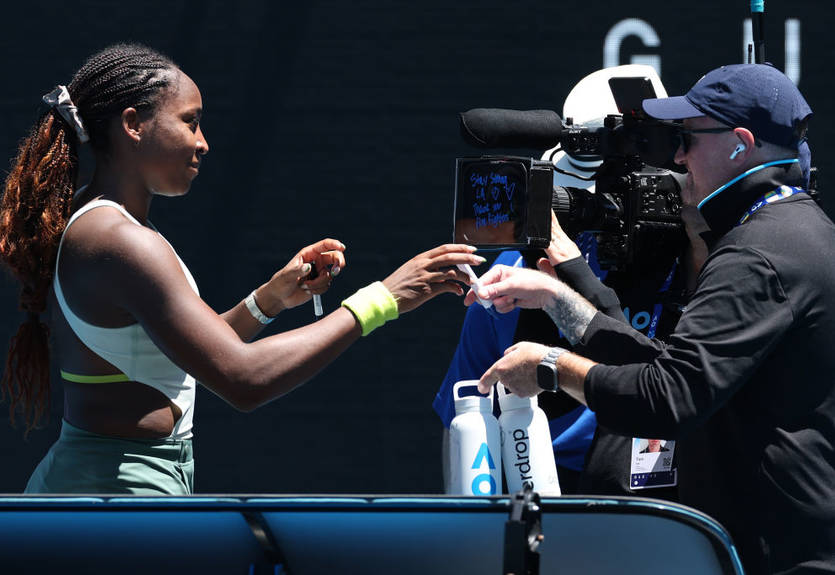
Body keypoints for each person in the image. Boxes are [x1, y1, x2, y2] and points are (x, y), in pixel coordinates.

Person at [0, 43, 483, 495]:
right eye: (190, 123)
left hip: (104, 487)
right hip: (113, 498)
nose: (203, 143)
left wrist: (268, 300)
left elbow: (190, 354)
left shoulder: (105, 224)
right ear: (133, 124)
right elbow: (241, 378)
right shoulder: (120, 240)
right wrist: (383, 299)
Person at [470, 63, 833, 574]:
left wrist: (551, 366)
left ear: (740, 144)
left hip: (778, 559)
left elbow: (667, 398)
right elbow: (679, 370)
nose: (679, 157)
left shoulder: (755, 254)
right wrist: (557, 298)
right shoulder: (800, 231)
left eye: (688, 138)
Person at [435, 65, 698, 498]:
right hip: (535, 482)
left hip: (659, 491)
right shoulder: (513, 272)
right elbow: (464, 408)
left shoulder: (695, 265)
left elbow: (664, 384)